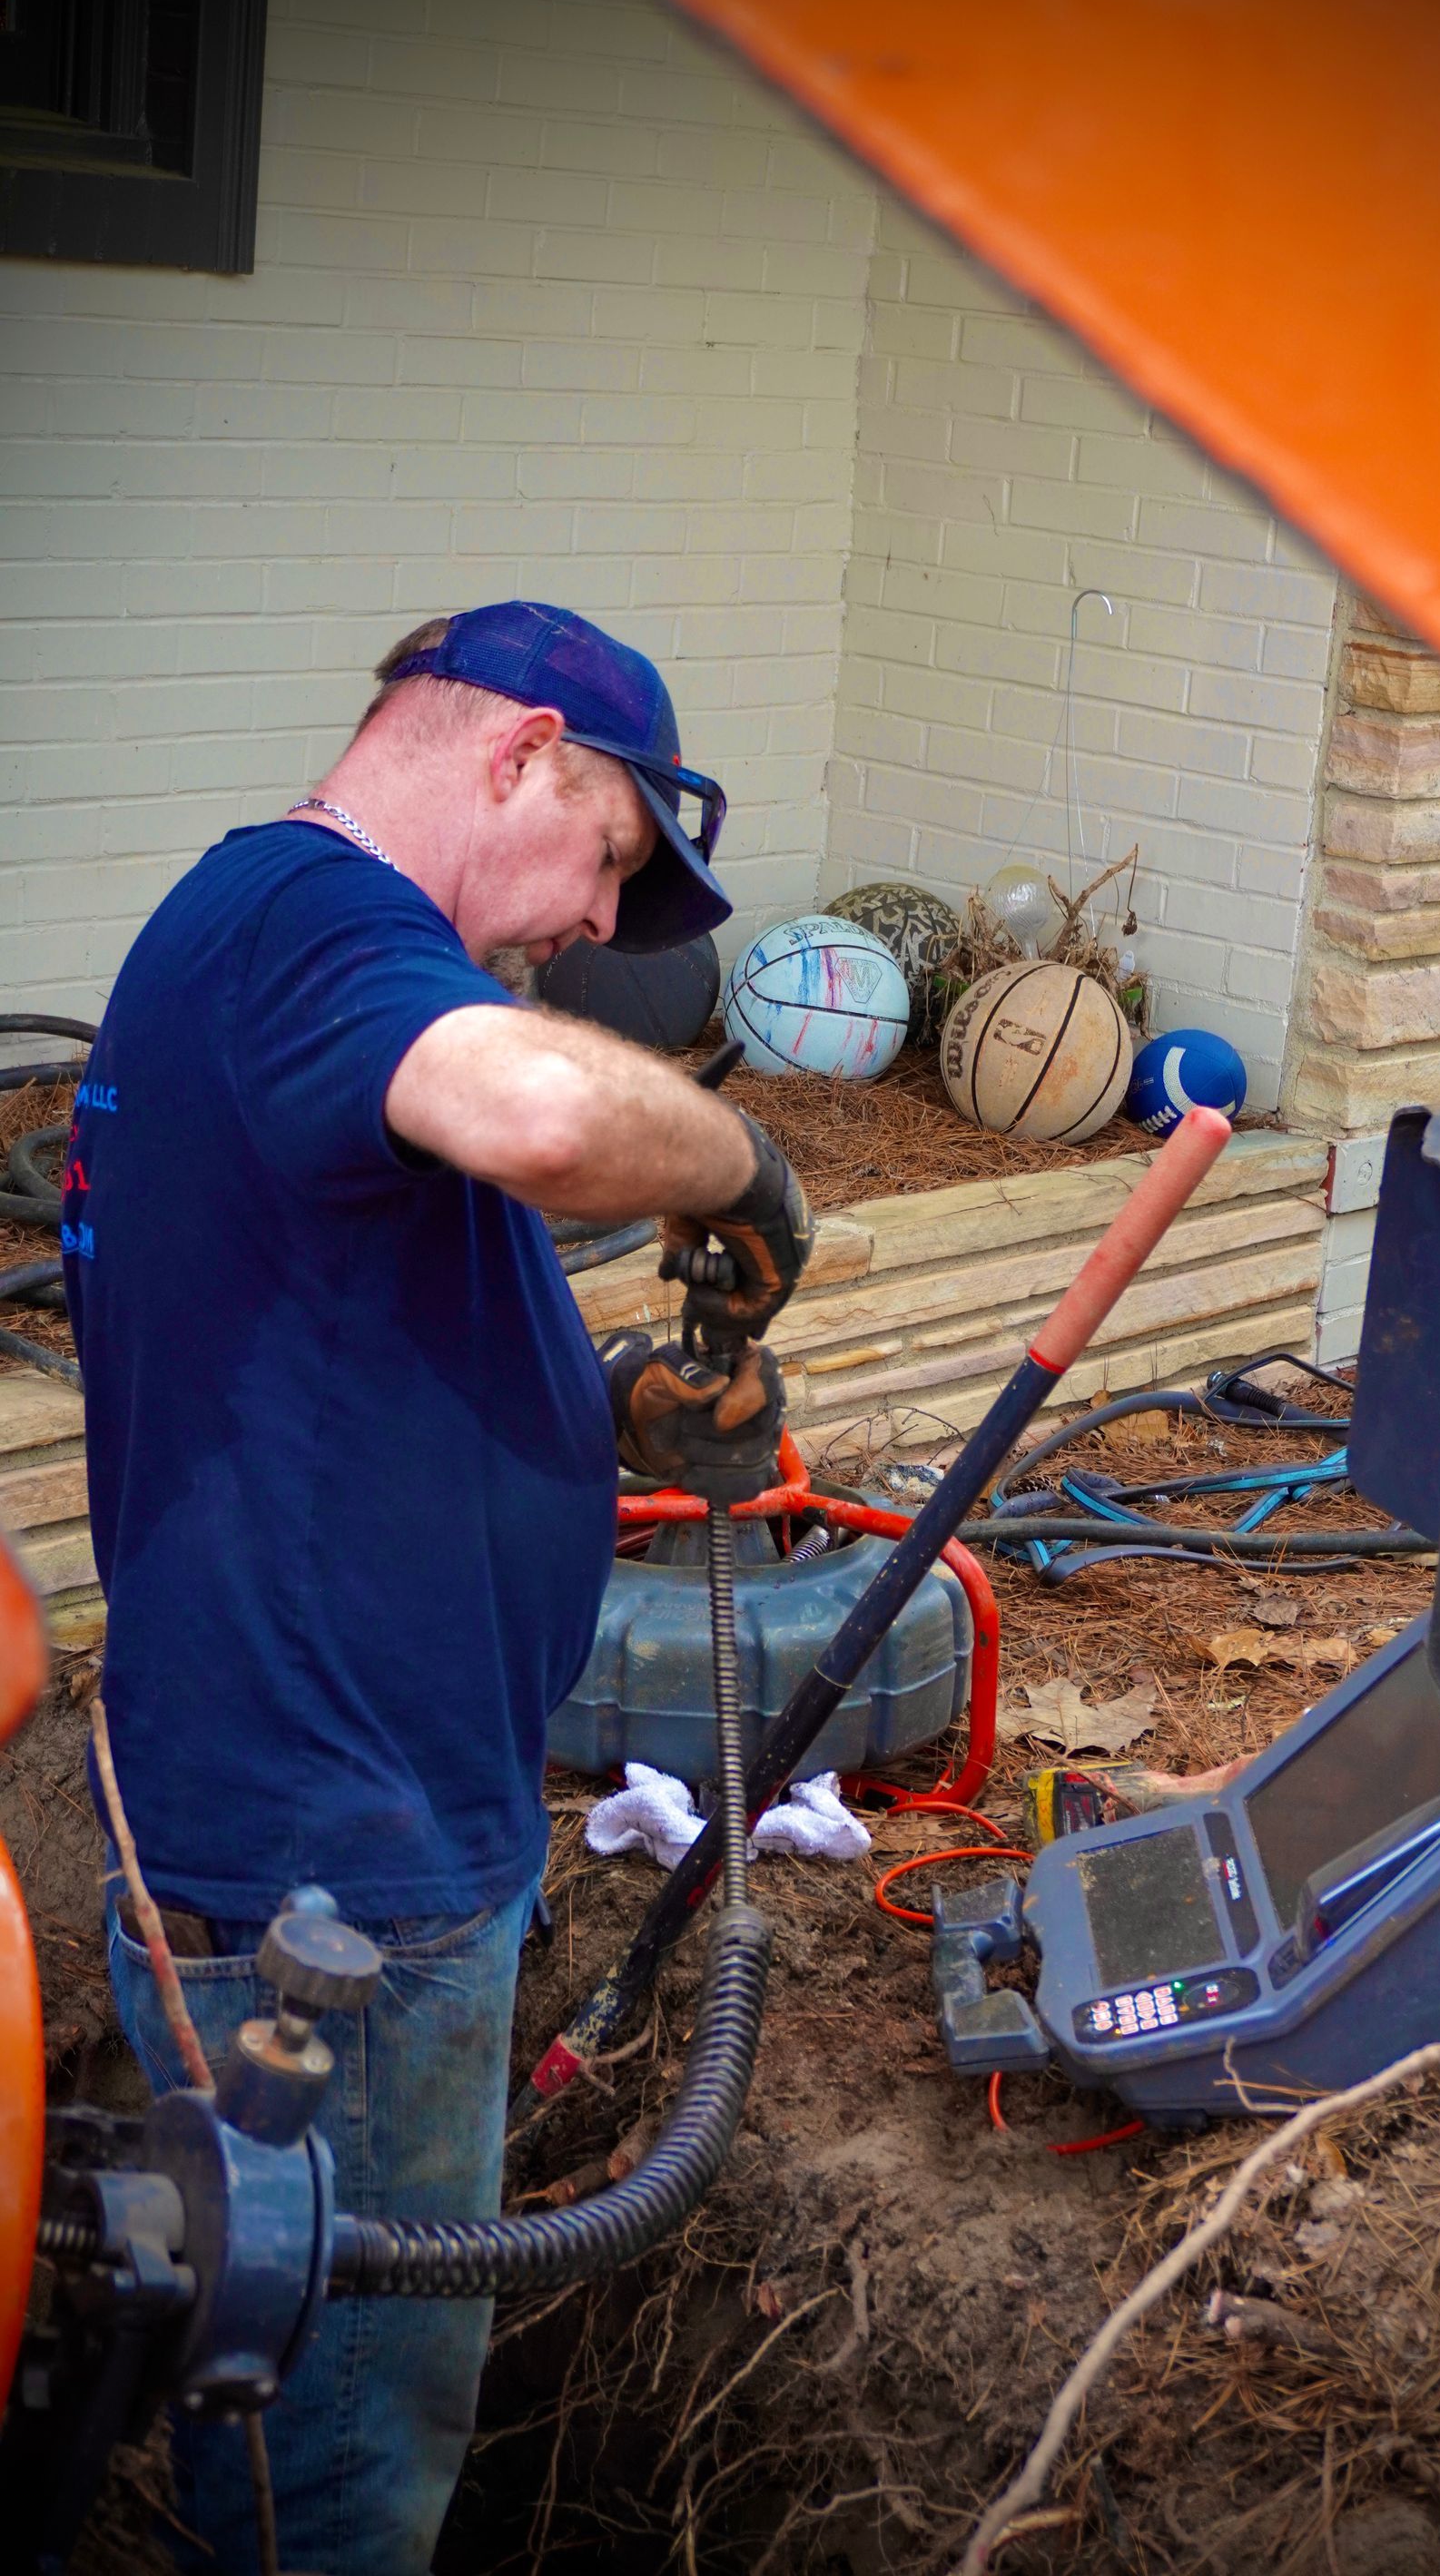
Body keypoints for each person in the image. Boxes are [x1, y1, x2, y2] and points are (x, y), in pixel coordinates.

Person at [61, 601, 813, 2574]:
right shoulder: (321, 925)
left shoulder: (264, 958)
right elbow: (550, 1114)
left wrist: (620, 1408)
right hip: (340, 1883)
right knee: (340, 2484)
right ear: (519, 752)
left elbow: (341, 1322)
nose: (585, 924)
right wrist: (741, 1163)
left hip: (307, 1822)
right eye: (609, 859)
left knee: (291, 2409)